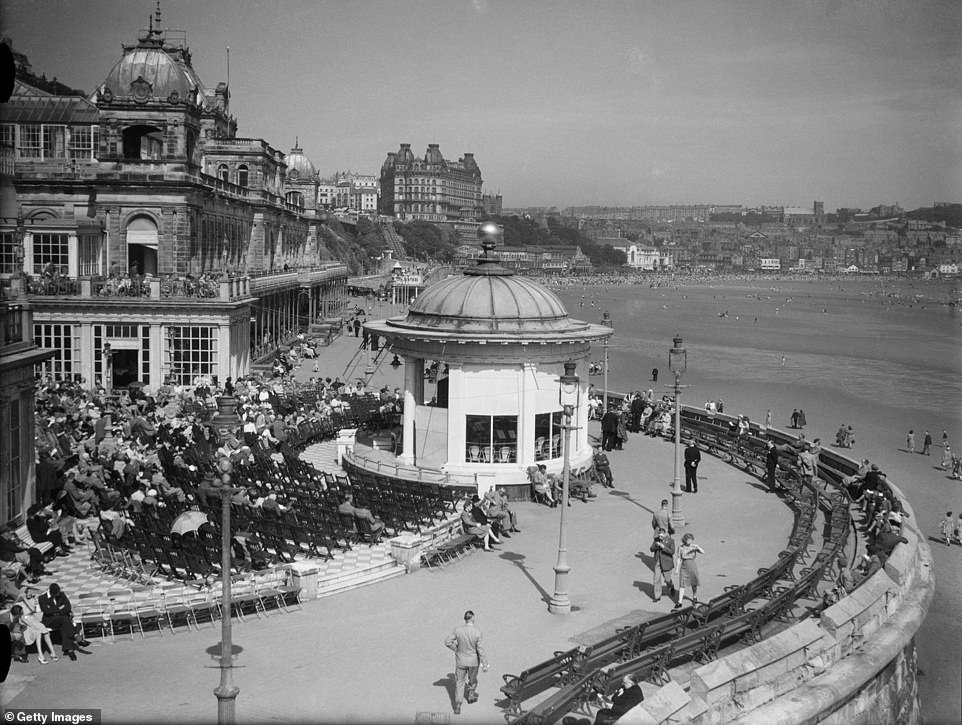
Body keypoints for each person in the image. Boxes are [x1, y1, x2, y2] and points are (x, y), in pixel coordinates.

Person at [444, 610, 489, 715]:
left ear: (465, 619)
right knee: (472, 680)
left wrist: (456, 649)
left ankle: (458, 704)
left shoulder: (458, 630)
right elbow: (480, 650)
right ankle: (471, 695)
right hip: (473, 662)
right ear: (472, 618)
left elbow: (447, 641)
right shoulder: (477, 633)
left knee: (460, 682)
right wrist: (485, 664)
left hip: (461, 660)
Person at [38, 582, 90, 661]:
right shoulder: (42, 598)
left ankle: (69, 650)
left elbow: (68, 606)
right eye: (56, 595)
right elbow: (46, 611)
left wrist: (57, 611)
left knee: (64, 625)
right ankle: (76, 636)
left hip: (61, 619)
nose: (57, 596)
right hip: (50, 620)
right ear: (52, 593)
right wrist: (59, 609)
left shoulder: (62, 595)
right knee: (65, 619)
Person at [674, 533, 705, 609]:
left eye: (691, 539)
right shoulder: (681, 547)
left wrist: (698, 547)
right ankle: (679, 601)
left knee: (694, 583)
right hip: (684, 566)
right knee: (682, 583)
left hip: (692, 565)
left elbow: (703, 552)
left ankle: (694, 597)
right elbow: (679, 558)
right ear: (685, 540)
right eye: (688, 540)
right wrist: (677, 569)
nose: (690, 541)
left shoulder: (693, 547)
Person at [650, 527, 676, 603]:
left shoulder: (670, 541)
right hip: (657, 562)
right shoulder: (656, 540)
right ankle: (657, 596)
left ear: (665, 534)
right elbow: (651, 549)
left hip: (666, 562)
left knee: (667, 579)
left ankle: (670, 585)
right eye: (659, 535)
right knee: (656, 579)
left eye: (661, 535)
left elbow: (672, 551)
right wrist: (656, 545)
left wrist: (663, 547)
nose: (660, 537)